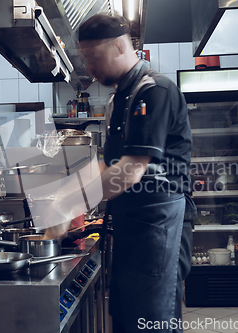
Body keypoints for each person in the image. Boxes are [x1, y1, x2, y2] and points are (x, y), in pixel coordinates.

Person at [77, 13, 196, 333]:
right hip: (131, 225)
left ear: (118, 46)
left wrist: (71, 202)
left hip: (160, 226)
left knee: (152, 323)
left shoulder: (154, 90)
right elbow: (111, 164)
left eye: (92, 57)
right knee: (128, 318)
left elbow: (130, 171)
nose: (88, 67)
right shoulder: (118, 100)